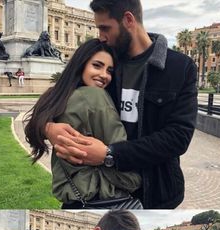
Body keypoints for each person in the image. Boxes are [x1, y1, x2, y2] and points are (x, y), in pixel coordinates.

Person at [44, 0, 198, 209]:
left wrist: (110, 155)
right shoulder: (106, 61)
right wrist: (48, 127)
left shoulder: (179, 67)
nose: (101, 36)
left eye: (105, 28)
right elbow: (57, 96)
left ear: (128, 20)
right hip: (106, 192)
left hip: (157, 193)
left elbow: (179, 137)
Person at [24, 38, 141, 208]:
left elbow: (31, 128)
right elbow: (130, 177)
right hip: (105, 199)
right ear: (81, 64)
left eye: (109, 70)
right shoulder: (96, 97)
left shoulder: (56, 95)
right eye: (97, 65)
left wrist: (47, 128)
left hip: (72, 199)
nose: (104, 75)